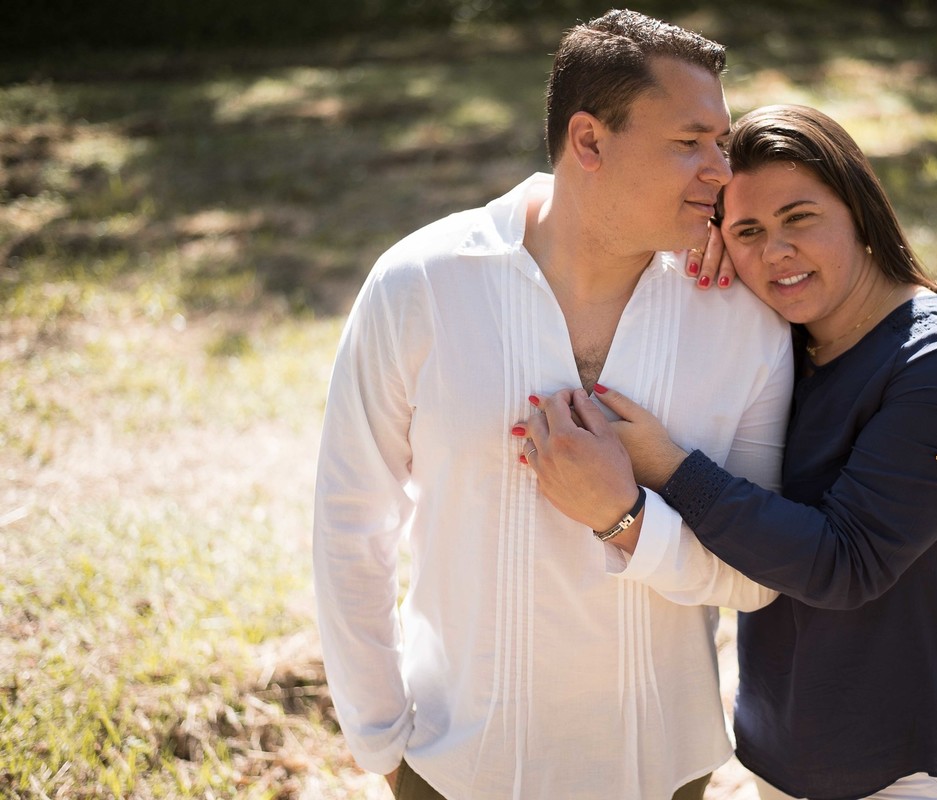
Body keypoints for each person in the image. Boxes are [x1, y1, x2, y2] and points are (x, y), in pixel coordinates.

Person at [312, 11, 796, 800]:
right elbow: (350, 519)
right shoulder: (421, 285)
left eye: (724, 143)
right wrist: (381, 741)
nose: (721, 172)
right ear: (590, 142)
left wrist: (625, 517)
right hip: (450, 764)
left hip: (660, 767)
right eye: (689, 143)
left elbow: (760, 572)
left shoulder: (743, 320)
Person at [515, 104, 937, 800]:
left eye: (800, 218)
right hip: (786, 752)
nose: (775, 251)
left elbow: (848, 562)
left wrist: (665, 469)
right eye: (747, 230)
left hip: (927, 758)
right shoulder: (778, 343)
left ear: (859, 207)